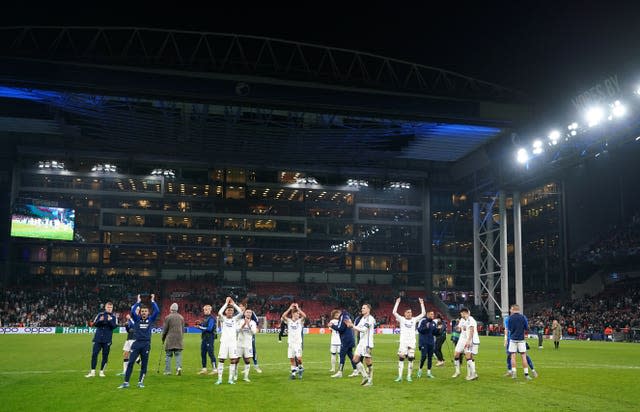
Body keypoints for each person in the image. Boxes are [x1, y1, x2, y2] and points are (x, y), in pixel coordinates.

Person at [118, 294, 160, 389]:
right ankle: (126, 382)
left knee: (144, 365)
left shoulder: (150, 319)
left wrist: (152, 300)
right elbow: (133, 310)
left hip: (146, 344)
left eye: (145, 311)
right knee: (131, 362)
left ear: (148, 313)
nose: (144, 313)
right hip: (136, 344)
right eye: (142, 311)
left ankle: (140, 382)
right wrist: (138, 302)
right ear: (140, 313)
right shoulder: (137, 319)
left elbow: (157, 311)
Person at [392, 297, 426, 382]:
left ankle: (409, 376)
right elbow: (394, 312)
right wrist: (397, 303)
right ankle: (400, 376)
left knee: (411, 358)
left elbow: (423, 313)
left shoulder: (414, 320)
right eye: (407, 312)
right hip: (403, 342)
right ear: (404, 314)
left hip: (411, 342)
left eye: (410, 312)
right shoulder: (402, 319)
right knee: (401, 358)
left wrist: (422, 303)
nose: (409, 313)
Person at [85, 301, 117, 377]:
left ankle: (102, 371)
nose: (109, 309)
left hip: (107, 340)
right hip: (98, 338)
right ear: (105, 307)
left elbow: (114, 327)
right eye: (108, 307)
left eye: (111, 307)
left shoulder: (114, 317)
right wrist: (100, 320)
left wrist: (109, 320)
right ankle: (92, 372)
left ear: (112, 308)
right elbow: (94, 324)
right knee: (94, 354)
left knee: (105, 356)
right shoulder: (100, 315)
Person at [215, 297, 243, 385]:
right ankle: (219, 379)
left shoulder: (235, 319)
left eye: (231, 311)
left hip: (233, 343)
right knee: (221, 360)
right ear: (226, 312)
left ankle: (230, 379)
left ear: (233, 312)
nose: (230, 312)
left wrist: (234, 304)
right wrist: (226, 304)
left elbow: (241, 312)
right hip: (224, 342)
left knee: (233, 360)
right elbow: (219, 313)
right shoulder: (223, 319)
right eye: (228, 310)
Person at [505, 304, 535, 380]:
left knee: (513, 357)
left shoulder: (510, 318)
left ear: (513, 309)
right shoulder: (523, 317)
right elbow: (527, 328)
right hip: (521, 339)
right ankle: (526, 374)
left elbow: (509, 329)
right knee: (524, 357)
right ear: (518, 309)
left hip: (512, 339)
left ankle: (514, 373)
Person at [451, 307, 479, 381]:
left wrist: (469, 341)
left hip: (469, 340)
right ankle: (457, 371)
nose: (461, 314)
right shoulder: (462, 320)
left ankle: (473, 374)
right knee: (456, 354)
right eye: (461, 313)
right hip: (461, 340)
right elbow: (460, 329)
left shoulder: (471, 320)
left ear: (465, 313)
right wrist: (456, 327)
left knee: (468, 356)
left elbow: (472, 330)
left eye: (462, 313)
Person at [351, 303, 375, 386]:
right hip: (361, 343)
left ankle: (370, 381)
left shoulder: (370, 319)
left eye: (364, 308)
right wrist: (351, 325)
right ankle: (365, 376)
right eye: (362, 308)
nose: (362, 309)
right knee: (355, 359)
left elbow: (364, 330)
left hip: (367, 343)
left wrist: (352, 326)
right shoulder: (362, 318)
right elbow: (357, 327)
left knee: (368, 362)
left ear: (368, 309)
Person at [329, 309, 357, 378]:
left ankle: (340, 372)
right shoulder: (347, 316)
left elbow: (341, 328)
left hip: (346, 340)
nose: (337, 316)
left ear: (340, 313)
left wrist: (332, 326)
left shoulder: (343, 317)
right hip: (350, 339)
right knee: (351, 356)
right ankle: (356, 370)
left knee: (342, 355)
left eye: (337, 314)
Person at [282, 303, 306, 379]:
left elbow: (305, 316)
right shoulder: (289, 321)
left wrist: (298, 308)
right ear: (292, 314)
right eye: (296, 314)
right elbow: (283, 316)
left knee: (298, 358)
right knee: (292, 359)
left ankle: (301, 367)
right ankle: (293, 374)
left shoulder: (300, 321)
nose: (298, 315)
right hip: (290, 343)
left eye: (298, 314)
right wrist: (289, 308)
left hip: (298, 343)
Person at [161, 302, 185, 376]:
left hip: (170, 339)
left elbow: (165, 329)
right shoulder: (181, 317)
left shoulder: (168, 317)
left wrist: (163, 338)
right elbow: (183, 329)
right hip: (179, 339)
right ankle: (178, 368)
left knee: (168, 355)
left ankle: (168, 371)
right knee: (178, 355)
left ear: (171, 309)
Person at [239, 302, 262, 373]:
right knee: (243, 352)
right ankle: (246, 368)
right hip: (242, 335)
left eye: (241, 306)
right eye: (239, 306)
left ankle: (256, 365)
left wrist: (255, 328)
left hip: (250, 334)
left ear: (244, 307)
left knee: (253, 350)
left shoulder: (251, 313)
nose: (240, 308)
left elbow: (257, 321)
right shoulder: (240, 314)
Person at [236, 307, 258, 382]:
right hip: (239, 344)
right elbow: (237, 330)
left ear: (251, 314)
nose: (248, 313)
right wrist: (244, 324)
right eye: (247, 312)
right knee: (236, 360)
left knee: (247, 361)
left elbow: (254, 332)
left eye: (250, 312)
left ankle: (246, 377)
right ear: (244, 313)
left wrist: (248, 325)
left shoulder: (253, 323)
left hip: (248, 345)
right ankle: (235, 375)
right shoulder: (240, 321)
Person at [195, 304, 218, 375]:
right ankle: (204, 369)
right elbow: (204, 327)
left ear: (210, 310)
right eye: (204, 309)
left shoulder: (211, 318)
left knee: (211, 353)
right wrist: (200, 325)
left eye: (206, 309)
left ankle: (215, 369)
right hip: (204, 338)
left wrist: (200, 327)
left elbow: (209, 329)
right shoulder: (205, 318)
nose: (204, 311)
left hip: (210, 338)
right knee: (203, 353)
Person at [417, 310, 437, 379]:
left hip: (431, 343)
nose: (433, 316)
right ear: (428, 314)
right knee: (423, 357)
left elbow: (434, 333)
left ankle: (429, 372)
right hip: (423, 342)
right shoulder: (423, 321)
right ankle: (420, 370)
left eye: (433, 314)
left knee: (430, 358)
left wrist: (439, 331)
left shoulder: (434, 323)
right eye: (431, 314)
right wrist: (426, 327)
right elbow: (419, 330)